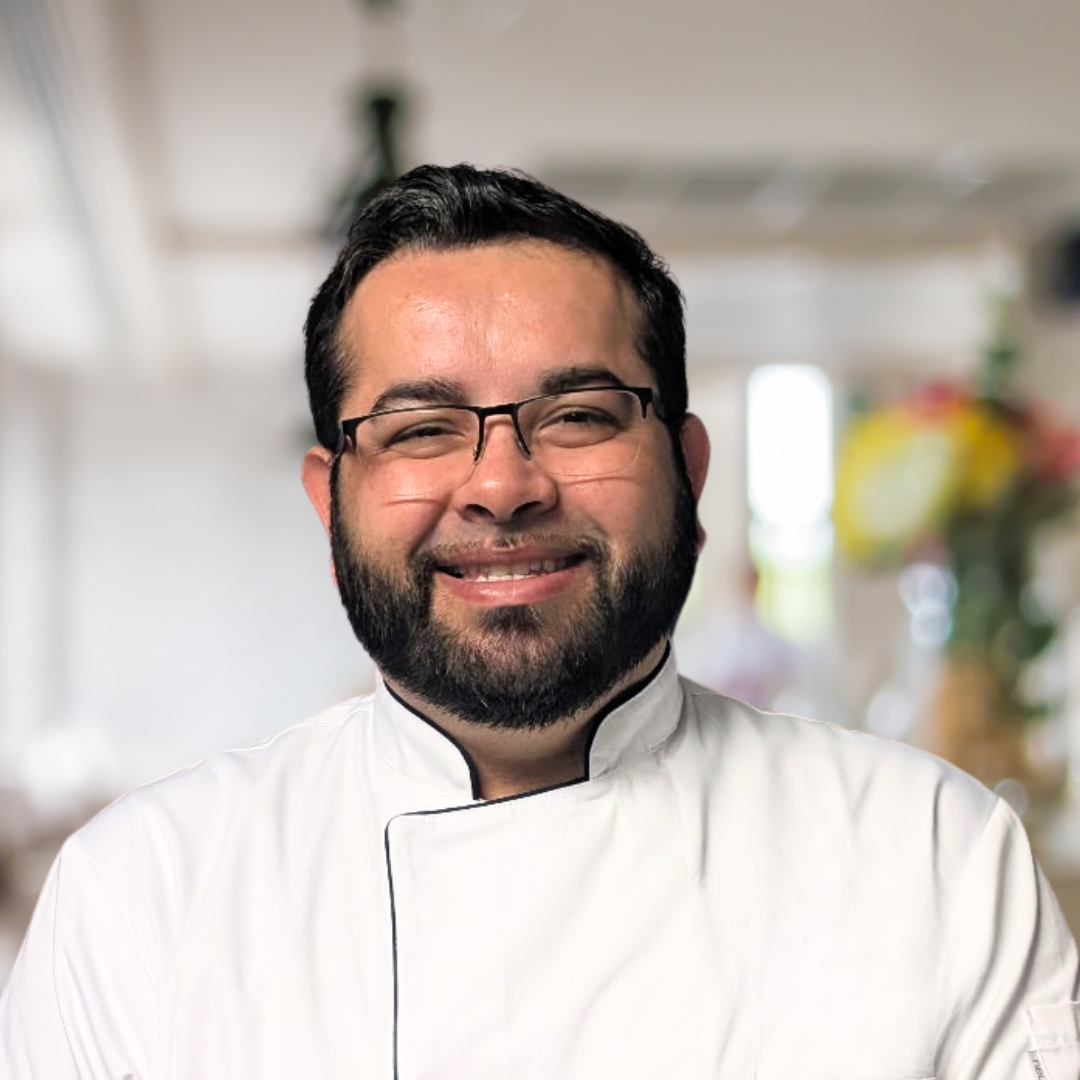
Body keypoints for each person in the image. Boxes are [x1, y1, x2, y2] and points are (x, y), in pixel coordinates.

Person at [1, 164, 1077, 1080]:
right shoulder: (145, 895)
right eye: (422, 429)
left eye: (578, 416)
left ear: (690, 474)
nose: (502, 486)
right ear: (331, 504)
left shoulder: (931, 856)